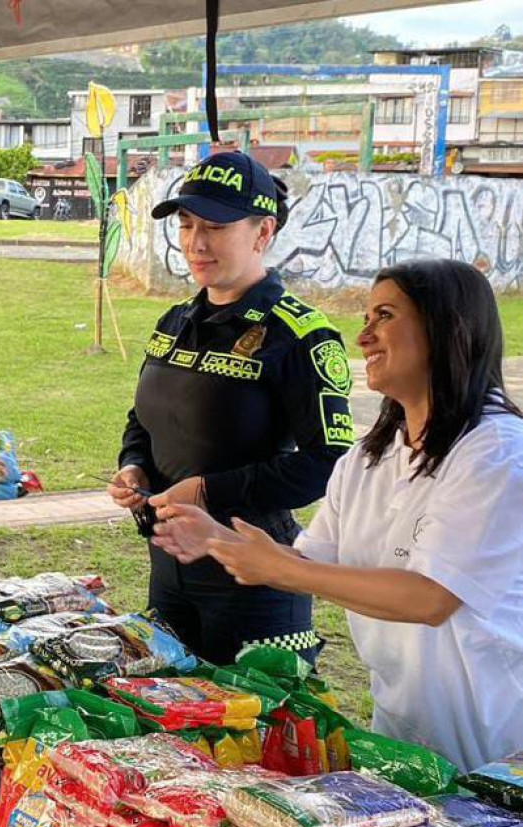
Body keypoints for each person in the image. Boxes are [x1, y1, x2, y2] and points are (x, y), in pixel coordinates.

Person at [150, 259, 523, 773]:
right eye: (367, 317)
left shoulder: (496, 454)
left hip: (498, 739)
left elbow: (431, 597)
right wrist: (215, 539)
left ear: (446, 329)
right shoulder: (368, 458)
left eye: (385, 316)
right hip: (402, 728)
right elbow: (311, 562)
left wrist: (281, 567)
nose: (364, 335)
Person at [108, 150, 354, 667]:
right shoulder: (176, 321)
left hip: (254, 579)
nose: (197, 242)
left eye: (216, 226)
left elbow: (328, 463)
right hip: (169, 570)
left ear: (262, 233)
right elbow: (144, 419)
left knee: (254, 740)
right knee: (171, 732)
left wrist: (206, 491)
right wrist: (132, 465)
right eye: (187, 223)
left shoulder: (298, 335)